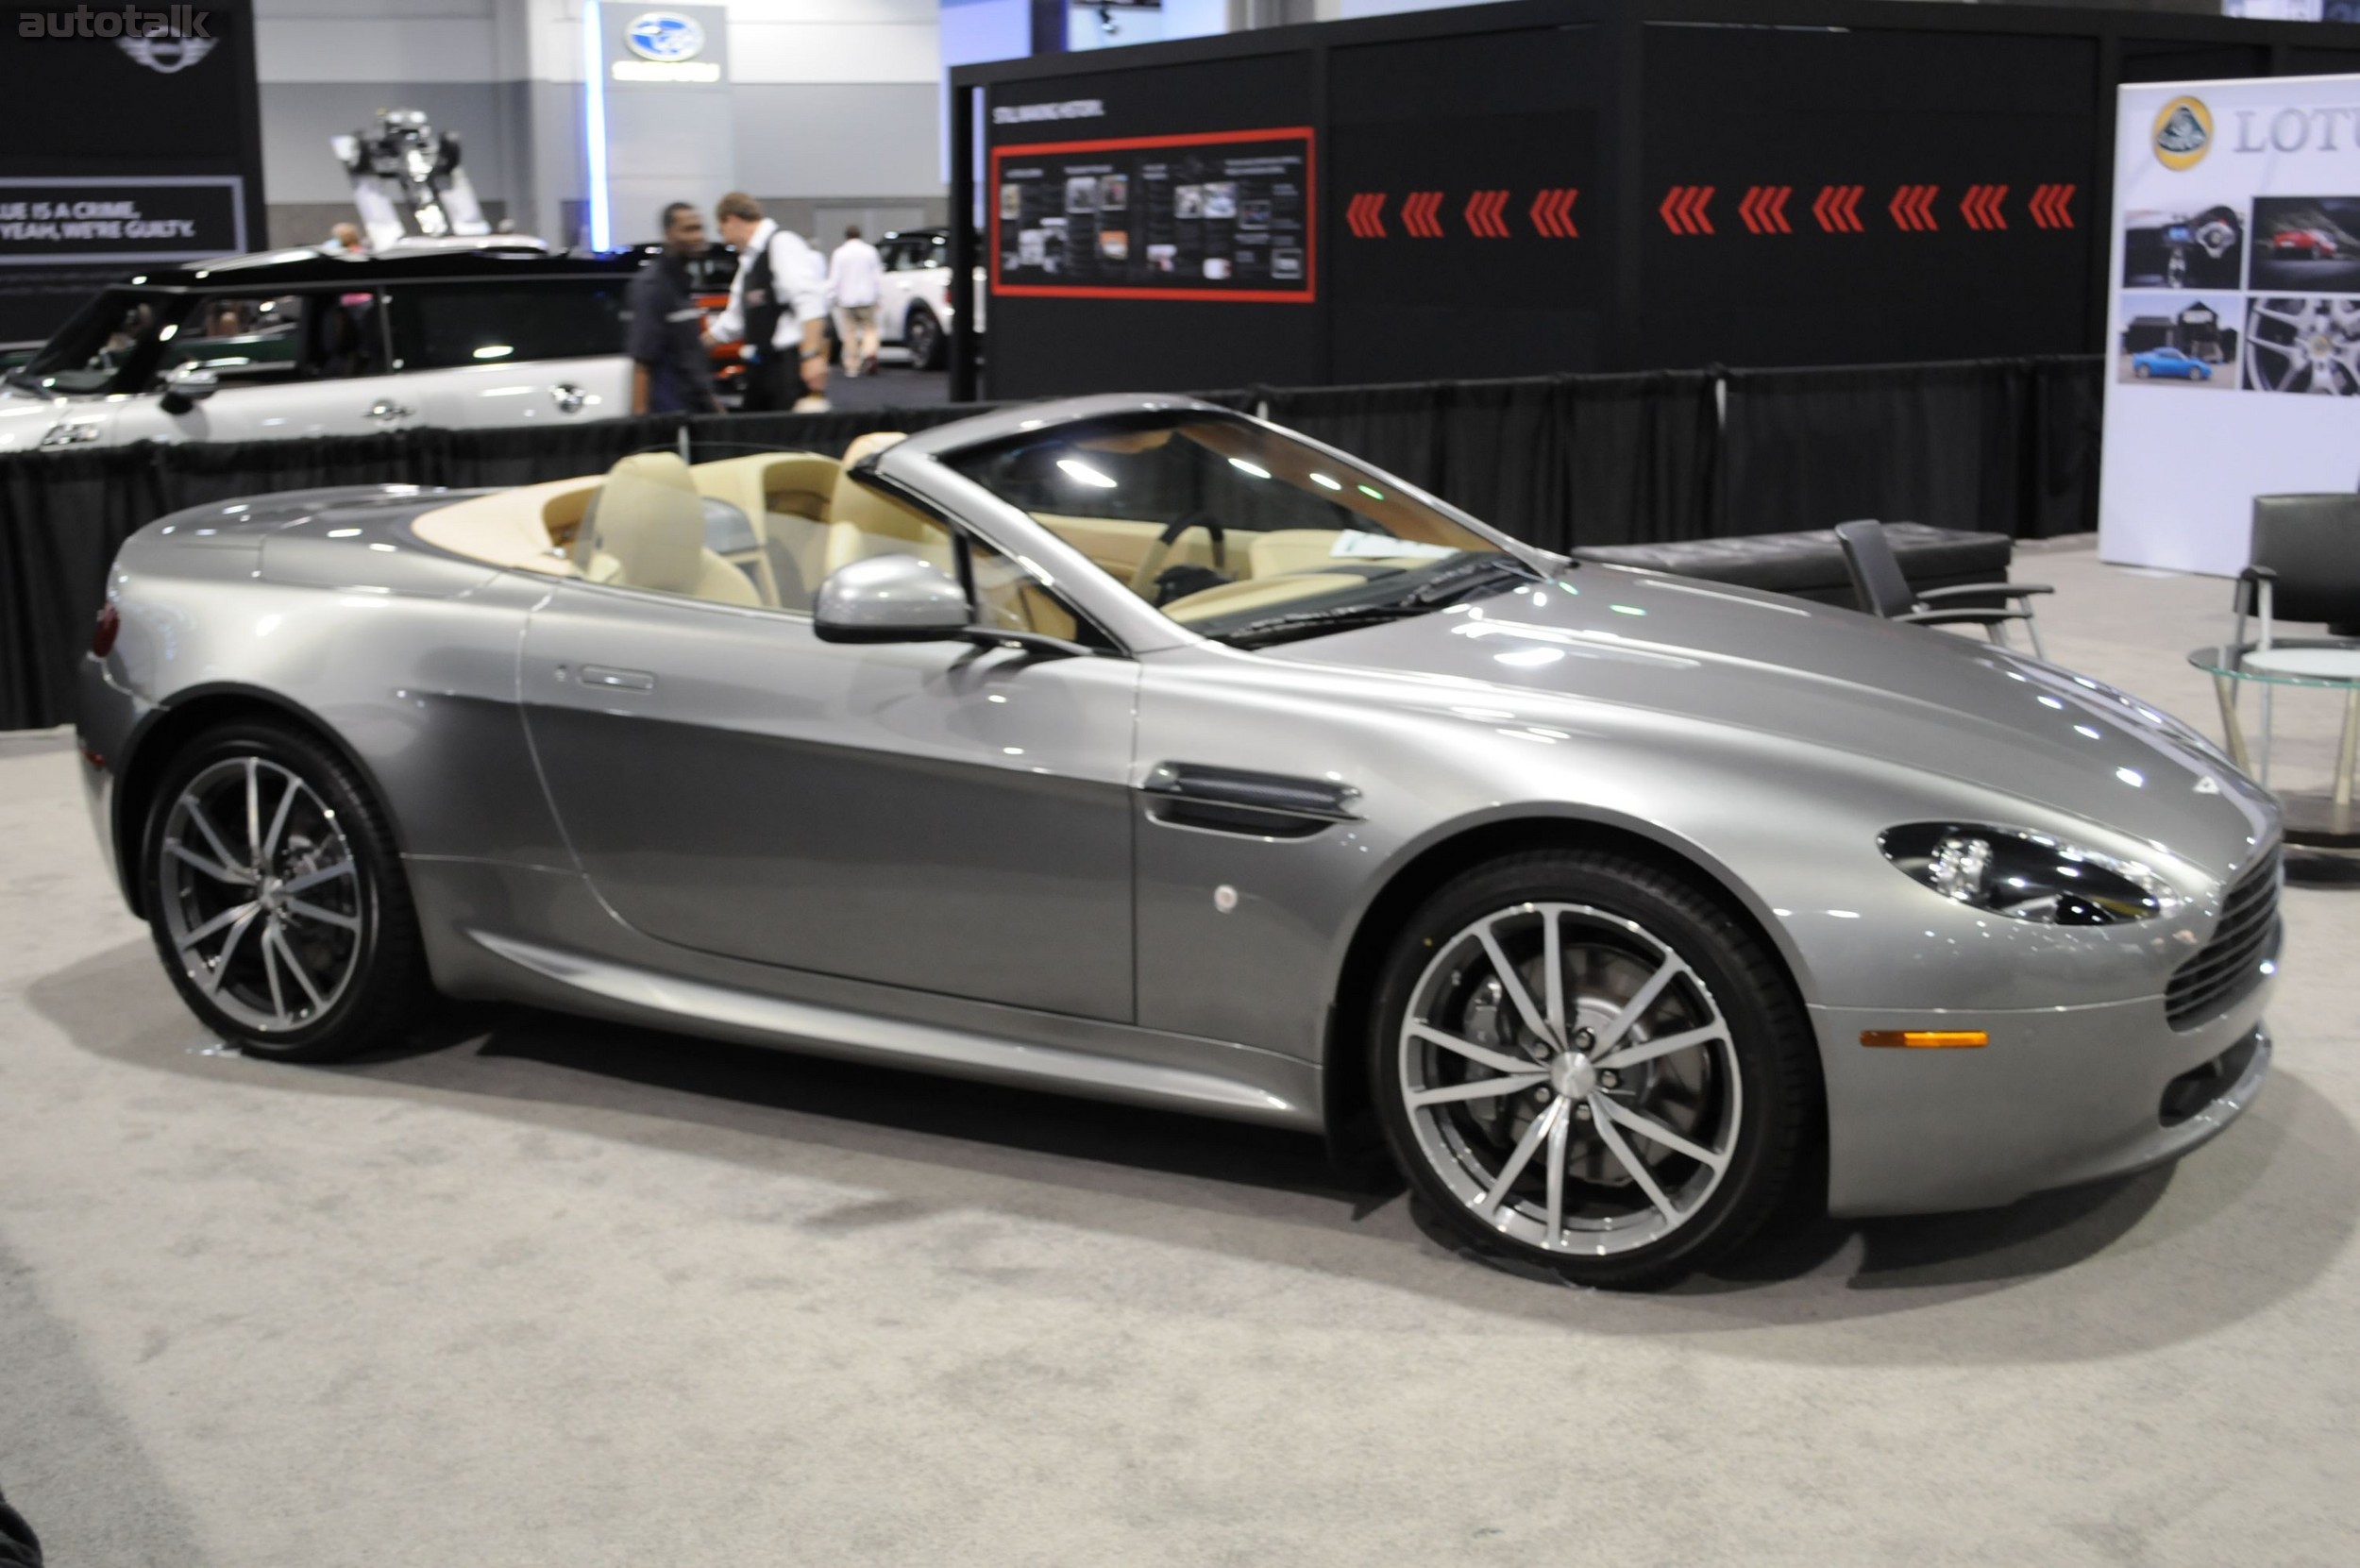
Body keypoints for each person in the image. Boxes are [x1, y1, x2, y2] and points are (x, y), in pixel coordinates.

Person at [708, 192, 829, 412]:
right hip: (760, 368)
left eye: (721, 230)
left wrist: (811, 356)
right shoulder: (749, 261)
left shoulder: (782, 244)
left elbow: (810, 301)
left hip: (788, 368)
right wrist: (696, 346)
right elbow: (733, 322)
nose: (724, 239)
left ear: (732, 220)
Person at [626, 202, 723, 416]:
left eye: (700, 228)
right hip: (669, 415)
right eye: (689, 230)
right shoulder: (652, 286)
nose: (698, 237)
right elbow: (642, 362)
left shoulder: (683, 285)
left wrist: (715, 408)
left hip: (697, 410)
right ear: (669, 234)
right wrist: (641, 425)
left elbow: (690, 358)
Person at [828, 224, 884, 379]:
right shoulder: (870, 251)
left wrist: (831, 297)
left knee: (850, 333)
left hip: (847, 299)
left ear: (846, 236)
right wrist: (879, 296)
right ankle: (870, 353)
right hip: (868, 297)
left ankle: (852, 366)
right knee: (870, 329)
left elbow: (835, 277)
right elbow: (877, 276)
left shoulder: (839, 253)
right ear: (860, 235)